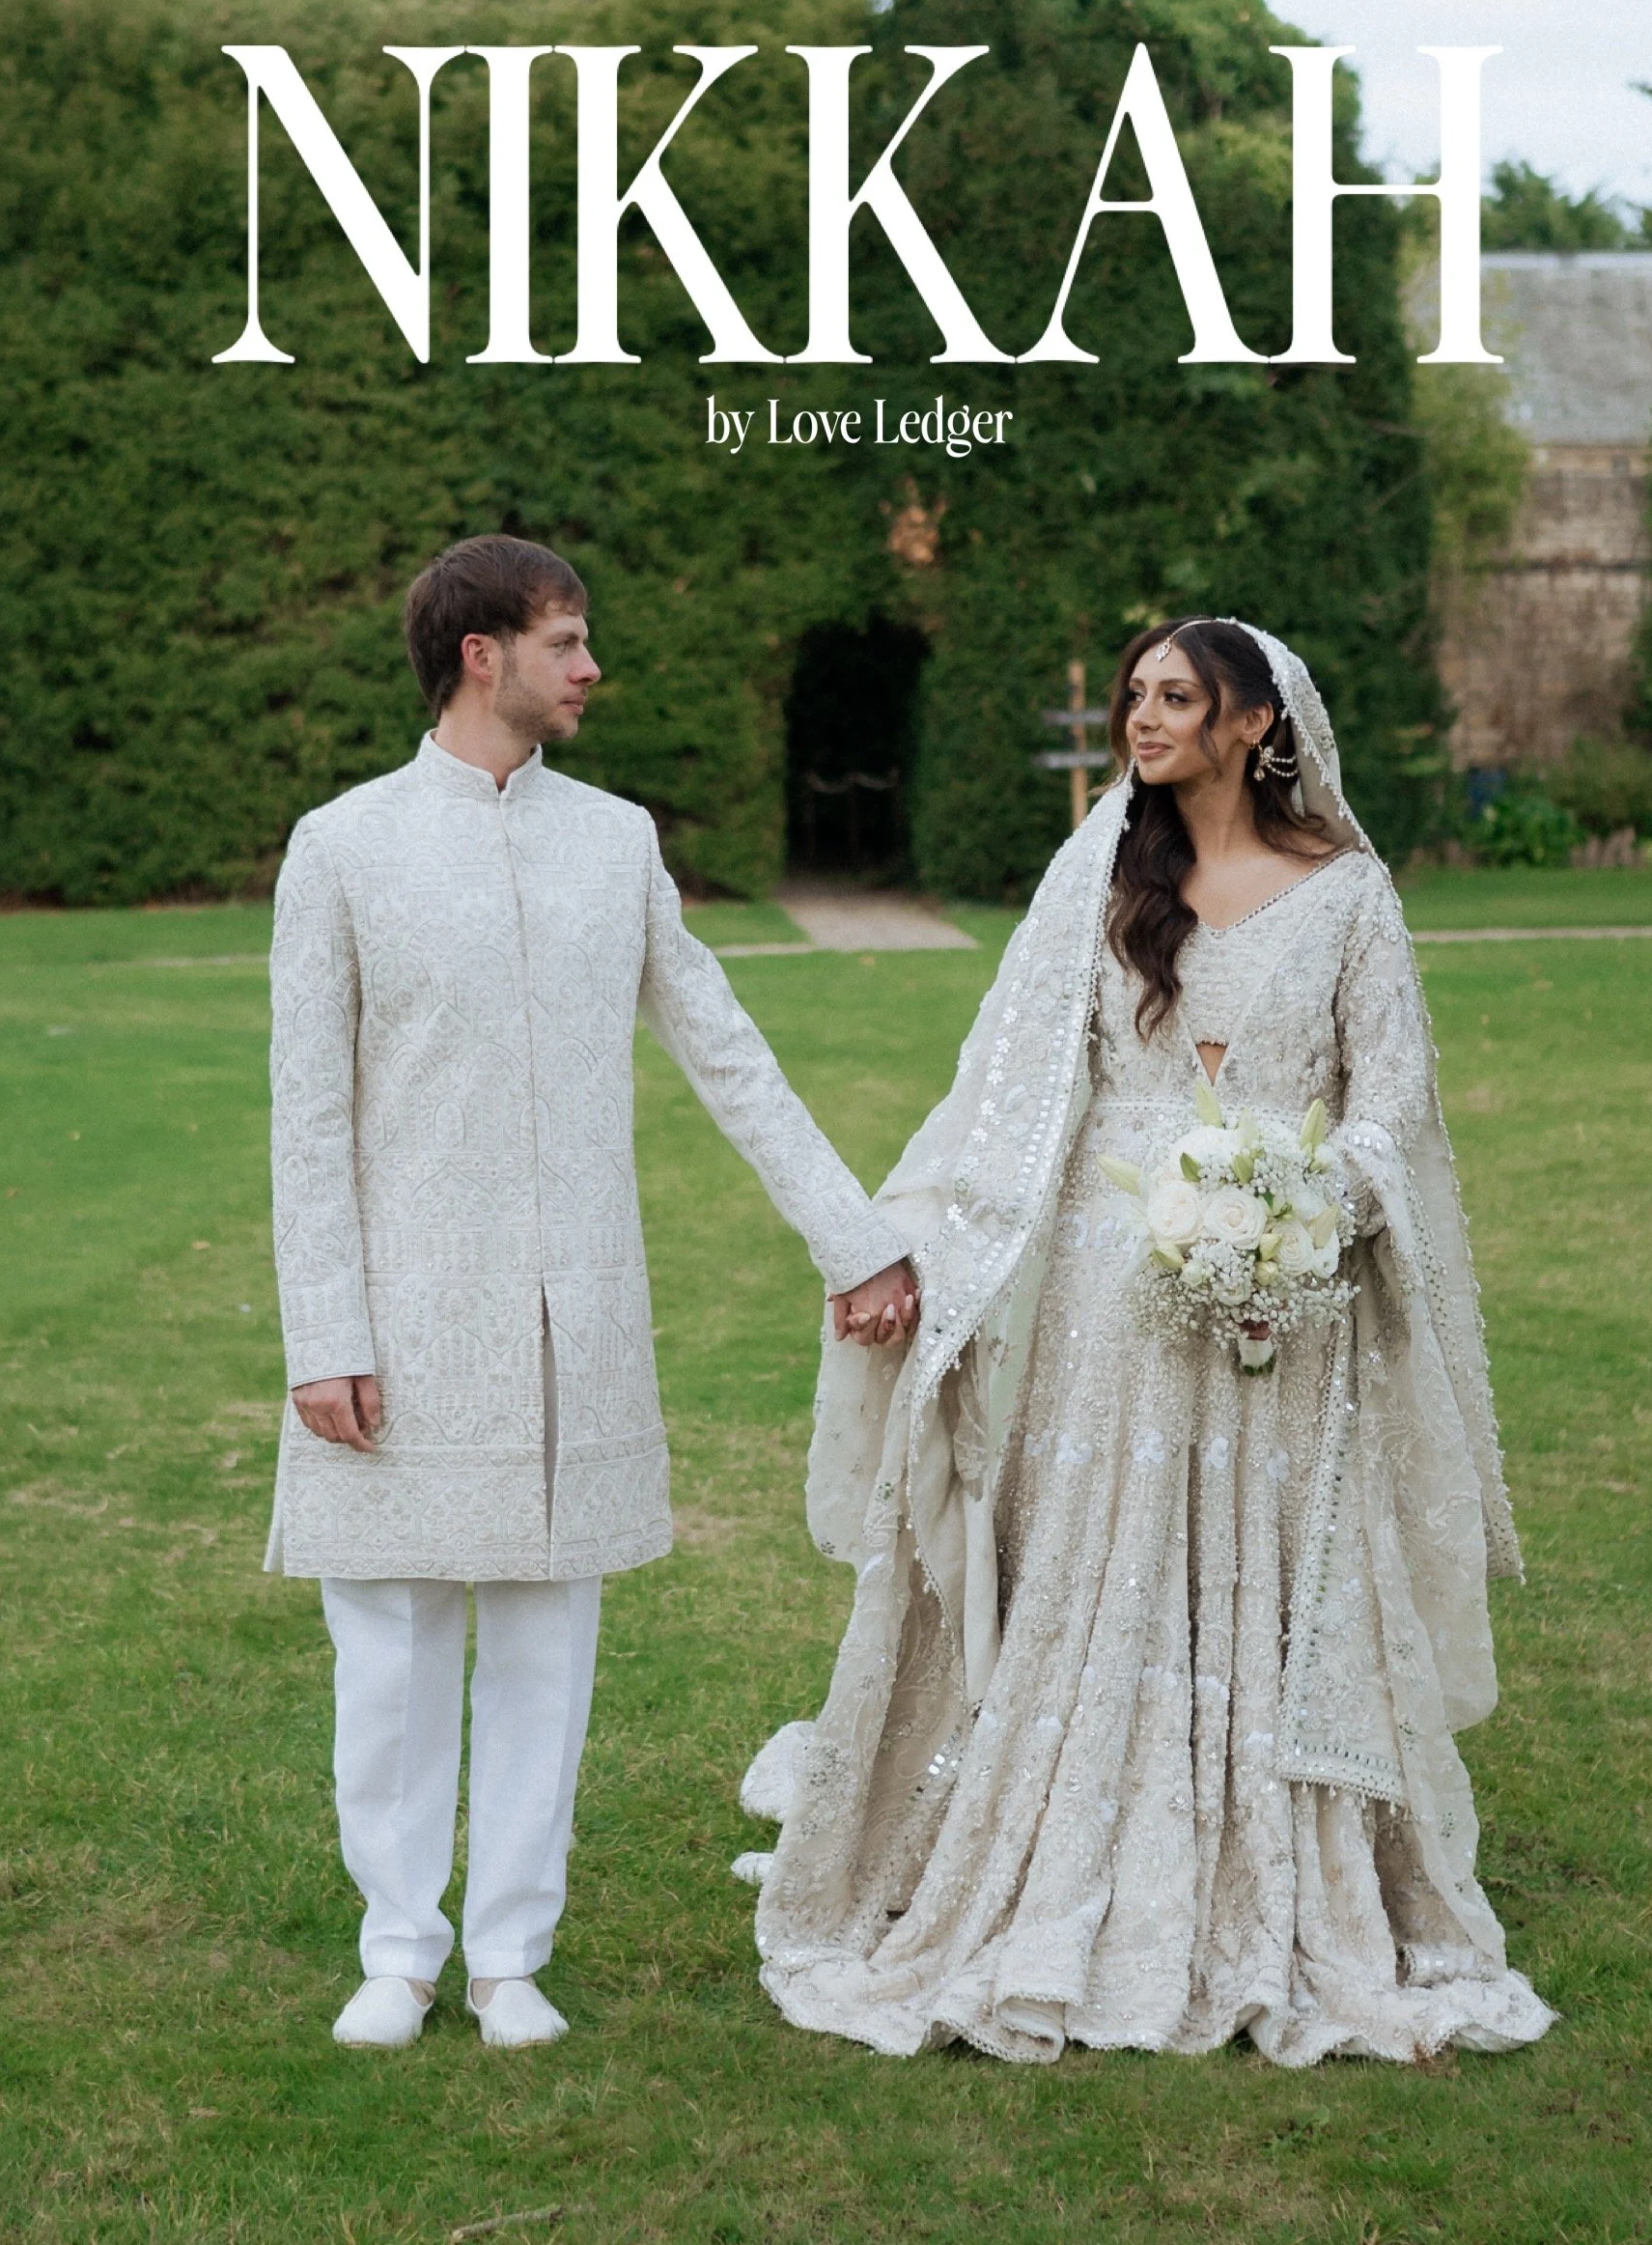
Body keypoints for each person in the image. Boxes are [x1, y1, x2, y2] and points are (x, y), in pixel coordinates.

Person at [745, 617, 1555, 2064]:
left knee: (1272, 1568)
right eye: (1137, 696)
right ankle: (1064, 1853)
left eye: (1177, 698)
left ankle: (1283, 1874)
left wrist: (1303, 1214)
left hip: (1280, 1295)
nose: (1144, 718)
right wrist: (916, 1243)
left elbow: (1395, 1107)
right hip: (1108, 1310)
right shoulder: (1101, 879)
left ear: (1256, 725)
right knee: (1101, 1564)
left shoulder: (1350, 895)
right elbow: (997, 1097)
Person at [266, 533, 918, 2052]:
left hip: (577, 1319)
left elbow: (728, 1053)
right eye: (568, 641)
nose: (591, 667)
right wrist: (327, 1334)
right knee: (395, 1645)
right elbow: (305, 1118)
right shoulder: (343, 846)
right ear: (481, 655)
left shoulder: (614, 842)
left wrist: (856, 1237)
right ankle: (398, 1946)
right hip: (400, 1323)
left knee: (548, 1651)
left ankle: (508, 1959)